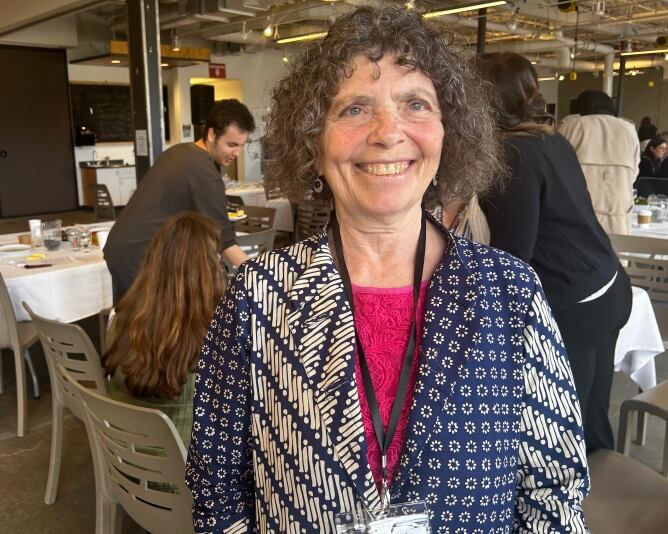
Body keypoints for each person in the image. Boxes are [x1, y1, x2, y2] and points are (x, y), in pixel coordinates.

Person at [186, 7, 588, 533]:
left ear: (449, 133)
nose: (386, 132)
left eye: (415, 104)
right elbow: (217, 488)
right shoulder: (258, 297)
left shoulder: (510, 292)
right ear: (314, 140)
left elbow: (553, 493)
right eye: (354, 109)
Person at [477, 52, 631, 454]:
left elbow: (512, 261)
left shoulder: (510, 155)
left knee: (560, 432)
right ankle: (600, 505)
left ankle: (572, 513)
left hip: (575, 303)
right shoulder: (549, 138)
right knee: (592, 416)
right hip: (609, 285)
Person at [104, 99, 254, 304]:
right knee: (147, 326)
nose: (236, 153)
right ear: (211, 135)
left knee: (129, 322)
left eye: (241, 146)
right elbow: (225, 240)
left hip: (119, 246)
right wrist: (258, 277)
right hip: (141, 254)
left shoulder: (179, 151)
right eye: (231, 144)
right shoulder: (204, 173)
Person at [102, 212, 225, 448]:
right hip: (191, 477)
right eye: (216, 257)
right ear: (207, 269)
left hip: (124, 459)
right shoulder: (220, 335)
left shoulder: (121, 321)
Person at [558, 90, 640, 235]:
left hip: (577, 211)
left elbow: (557, 169)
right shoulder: (628, 129)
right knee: (617, 253)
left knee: (578, 254)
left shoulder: (569, 126)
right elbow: (634, 173)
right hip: (618, 212)